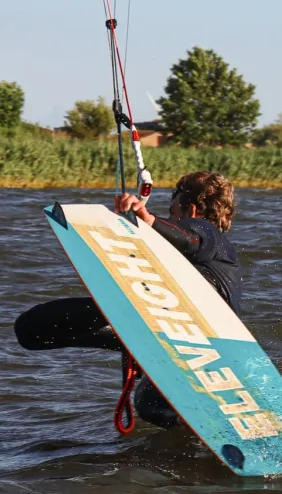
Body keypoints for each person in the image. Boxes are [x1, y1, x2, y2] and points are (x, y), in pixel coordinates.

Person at [14, 170, 241, 429]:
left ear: (190, 209)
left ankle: (196, 412)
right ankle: (130, 335)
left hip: (203, 336)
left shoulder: (206, 232)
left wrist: (147, 218)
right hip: (161, 331)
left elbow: (190, 240)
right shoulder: (166, 250)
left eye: (172, 209)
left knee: (152, 404)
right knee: (30, 329)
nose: (168, 217)